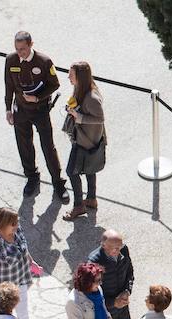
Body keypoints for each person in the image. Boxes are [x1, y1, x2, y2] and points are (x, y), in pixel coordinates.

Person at [4, 31, 66, 199]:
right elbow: (9, 85)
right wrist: (8, 109)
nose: (20, 52)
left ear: (31, 44)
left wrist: (37, 97)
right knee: (24, 145)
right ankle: (32, 177)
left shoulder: (44, 61)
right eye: (17, 49)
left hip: (40, 110)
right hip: (21, 111)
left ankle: (58, 182)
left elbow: (55, 84)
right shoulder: (11, 60)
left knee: (48, 146)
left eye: (23, 49)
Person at [62, 61, 107, 221]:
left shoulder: (91, 97)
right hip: (87, 138)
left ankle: (79, 205)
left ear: (79, 77)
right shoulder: (81, 89)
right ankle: (92, 199)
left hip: (86, 140)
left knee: (71, 171)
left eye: (71, 75)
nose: (68, 77)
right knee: (90, 169)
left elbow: (100, 118)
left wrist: (78, 117)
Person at [87, 230, 134, 319]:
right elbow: (91, 295)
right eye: (115, 248)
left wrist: (127, 291)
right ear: (104, 246)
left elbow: (129, 273)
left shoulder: (123, 249)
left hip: (123, 309)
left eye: (120, 247)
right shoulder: (93, 263)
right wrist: (113, 302)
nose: (119, 251)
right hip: (105, 314)